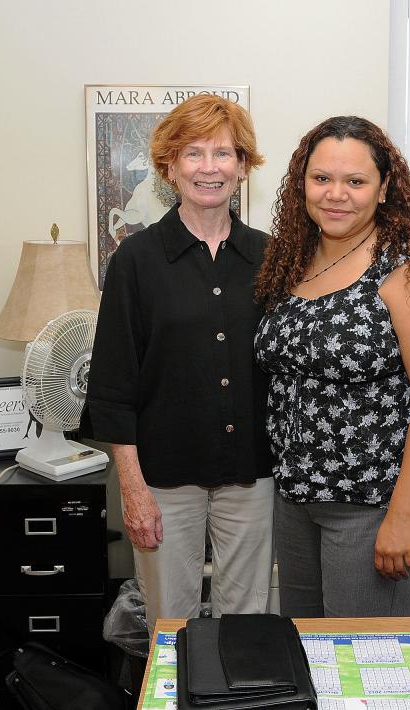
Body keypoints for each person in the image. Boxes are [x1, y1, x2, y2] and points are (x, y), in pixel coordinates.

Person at [254, 116, 410, 617]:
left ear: (384, 188)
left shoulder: (407, 272)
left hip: (371, 505)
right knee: (304, 651)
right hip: (295, 499)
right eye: (321, 178)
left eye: (355, 181)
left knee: (364, 665)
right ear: (301, 182)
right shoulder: (292, 264)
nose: (335, 194)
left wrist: (401, 517)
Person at [88, 95, 274, 629]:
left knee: (248, 624)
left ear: (242, 167)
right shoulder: (135, 261)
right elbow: (112, 388)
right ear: (170, 166)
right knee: (171, 625)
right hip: (164, 480)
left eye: (223, 153)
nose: (209, 167)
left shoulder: (269, 258)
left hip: (252, 476)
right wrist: (132, 489)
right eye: (194, 153)